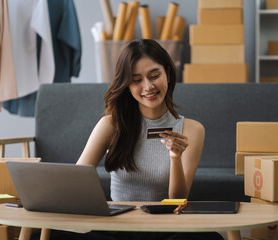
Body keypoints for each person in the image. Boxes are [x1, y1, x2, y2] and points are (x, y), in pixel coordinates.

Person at [31, 39, 223, 240]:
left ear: (167, 72)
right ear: (126, 85)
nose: (148, 86)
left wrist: (175, 158)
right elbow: (75, 181)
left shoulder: (192, 130)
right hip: (117, 230)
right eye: (136, 80)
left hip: (164, 231)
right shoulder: (111, 124)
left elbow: (177, 201)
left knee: (210, 238)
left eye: (154, 75)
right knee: (41, 237)